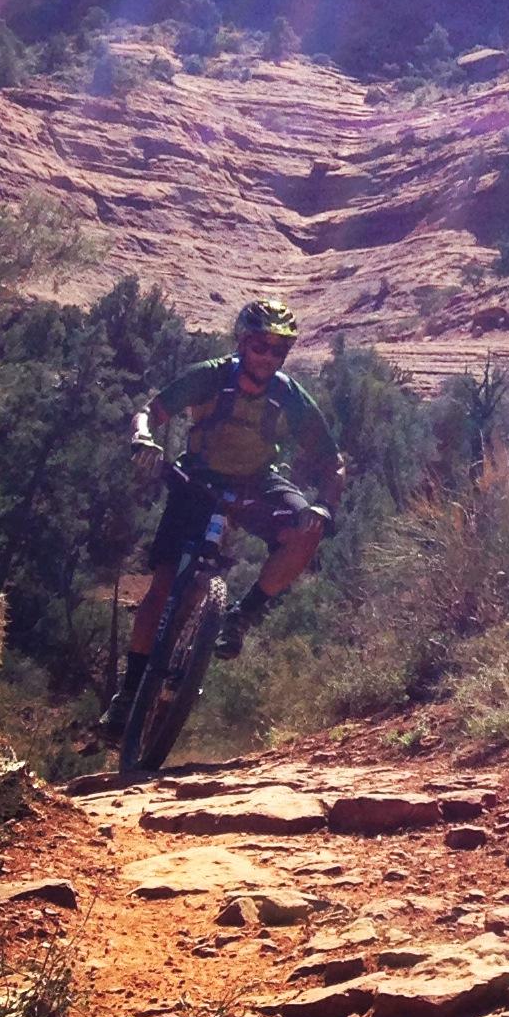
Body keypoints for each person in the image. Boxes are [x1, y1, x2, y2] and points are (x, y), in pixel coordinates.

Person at [102, 297, 344, 734]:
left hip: (256, 482)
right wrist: (142, 439)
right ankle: (128, 695)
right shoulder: (212, 376)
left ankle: (242, 614)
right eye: (261, 347)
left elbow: (333, 460)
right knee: (161, 590)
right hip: (198, 477)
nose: (269, 357)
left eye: (278, 350)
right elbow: (149, 412)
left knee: (307, 529)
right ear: (242, 343)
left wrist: (323, 504)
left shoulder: (288, 394)